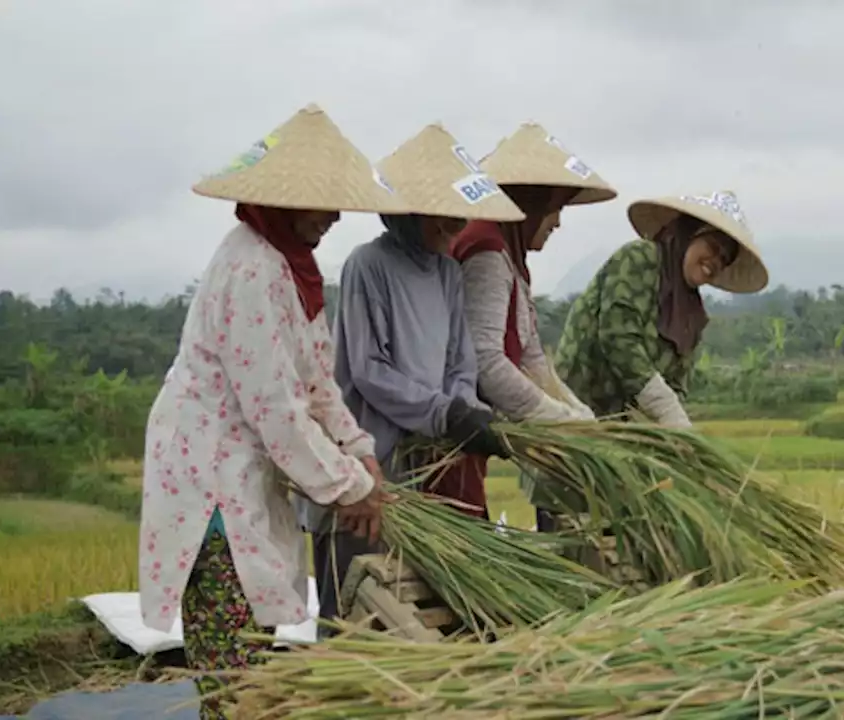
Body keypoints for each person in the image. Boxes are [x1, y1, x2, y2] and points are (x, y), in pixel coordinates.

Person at [139, 103, 400, 719]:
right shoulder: (251, 268)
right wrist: (349, 487)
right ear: (284, 202)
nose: (335, 217)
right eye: (323, 203)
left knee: (254, 639)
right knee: (234, 666)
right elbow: (278, 412)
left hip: (243, 470)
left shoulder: (294, 267)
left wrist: (360, 453)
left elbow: (316, 379)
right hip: (210, 482)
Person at [291, 124, 528, 624]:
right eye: (442, 217)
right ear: (410, 211)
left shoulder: (446, 273)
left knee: (404, 607)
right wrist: (443, 414)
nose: (454, 227)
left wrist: (462, 408)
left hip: (422, 472)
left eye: (458, 216)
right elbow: (370, 370)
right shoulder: (367, 266)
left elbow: (460, 360)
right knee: (352, 603)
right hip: (366, 468)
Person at [450, 123, 617, 532]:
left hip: (473, 431)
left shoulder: (510, 252)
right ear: (530, 202)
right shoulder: (488, 251)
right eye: (555, 207)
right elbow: (486, 361)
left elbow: (530, 355)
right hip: (453, 430)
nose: (557, 222)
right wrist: (553, 418)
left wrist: (578, 415)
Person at [555, 190, 769, 429]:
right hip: (576, 412)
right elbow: (618, 339)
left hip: (624, 430)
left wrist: (672, 425)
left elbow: (678, 383)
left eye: (724, 259)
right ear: (689, 235)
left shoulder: (692, 316)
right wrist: (664, 406)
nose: (716, 261)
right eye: (713, 246)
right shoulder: (640, 259)